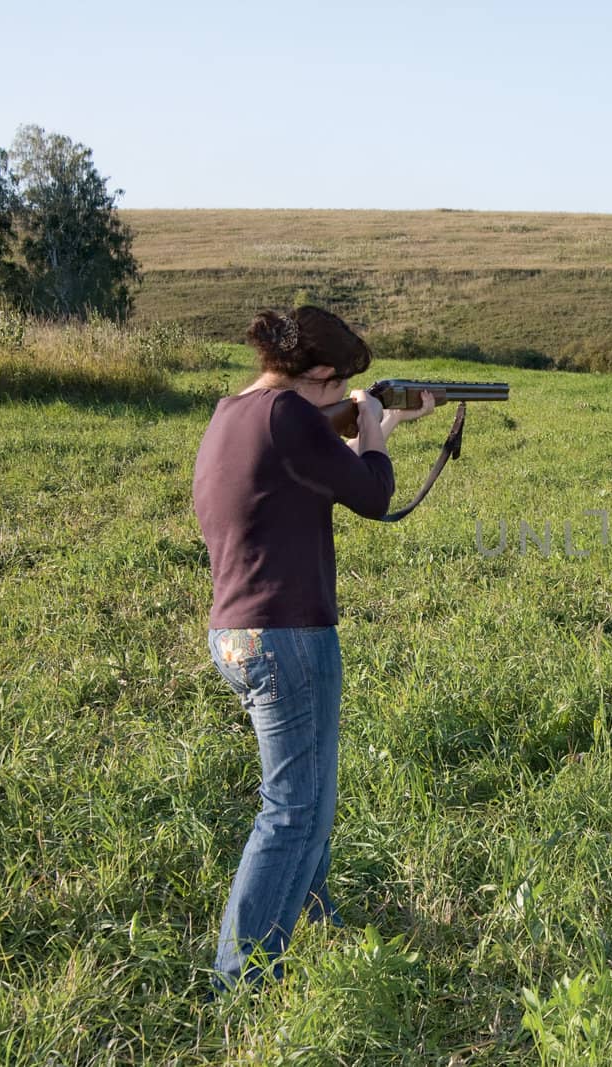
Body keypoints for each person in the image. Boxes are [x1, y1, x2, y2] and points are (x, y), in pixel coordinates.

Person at [191, 305, 440, 993]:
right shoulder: (290, 415)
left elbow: (317, 474)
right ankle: (240, 982)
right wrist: (369, 433)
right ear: (321, 375)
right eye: (340, 387)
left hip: (237, 631)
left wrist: (378, 426)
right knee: (293, 808)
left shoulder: (232, 412)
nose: (340, 397)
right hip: (288, 635)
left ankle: (311, 916)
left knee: (310, 798)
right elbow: (374, 493)